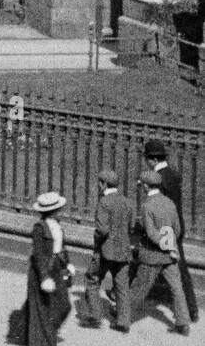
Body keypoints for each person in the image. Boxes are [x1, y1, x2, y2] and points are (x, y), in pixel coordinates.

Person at [142, 139, 198, 322]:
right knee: (175, 267)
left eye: (146, 159)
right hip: (175, 225)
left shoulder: (159, 178)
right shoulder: (173, 174)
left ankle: (189, 311)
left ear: (152, 160)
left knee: (173, 269)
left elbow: (160, 205)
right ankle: (190, 311)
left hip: (165, 229)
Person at [132, 169, 191, 335]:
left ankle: (123, 315)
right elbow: (177, 229)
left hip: (153, 255)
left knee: (139, 287)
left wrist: (165, 245)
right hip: (170, 256)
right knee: (176, 288)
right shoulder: (170, 203)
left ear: (145, 186)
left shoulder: (147, 206)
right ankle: (182, 322)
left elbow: (150, 233)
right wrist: (171, 245)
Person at [20, 191, 73, 346]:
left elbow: (62, 248)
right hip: (42, 271)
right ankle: (40, 344)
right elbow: (38, 254)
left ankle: (45, 332)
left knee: (64, 305)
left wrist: (67, 265)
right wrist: (44, 277)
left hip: (57, 267)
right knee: (41, 307)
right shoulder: (39, 228)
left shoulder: (57, 225)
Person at [80, 169, 133, 332]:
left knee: (92, 279)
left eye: (99, 183)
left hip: (105, 251)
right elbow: (130, 227)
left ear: (103, 184)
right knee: (122, 285)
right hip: (123, 251)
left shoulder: (104, 202)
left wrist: (96, 239)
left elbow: (102, 230)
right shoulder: (127, 202)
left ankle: (95, 316)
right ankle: (123, 321)